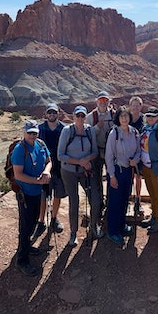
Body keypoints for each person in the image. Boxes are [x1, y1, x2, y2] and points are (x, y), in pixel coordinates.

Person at [11, 119, 52, 276]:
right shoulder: (20, 149)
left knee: (33, 221)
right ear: (24, 132)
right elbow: (18, 174)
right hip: (25, 193)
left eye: (34, 132)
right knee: (26, 226)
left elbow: (49, 161)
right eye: (29, 132)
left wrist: (47, 171)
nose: (32, 135)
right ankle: (22, 260)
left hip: (37, 191)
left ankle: (27, 247)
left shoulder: (40, 144)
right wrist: (37, 180)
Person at [58, 105, 99, 247]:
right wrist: (80, 162)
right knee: (73, 201)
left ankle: (94, 226)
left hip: (85, 171)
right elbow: (60, 155)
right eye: (78, 116)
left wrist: (86, 161)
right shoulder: (67, 131)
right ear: (74, 117)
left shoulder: (90, 131)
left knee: (95, 200)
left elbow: (95, 152)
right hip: (69, 171)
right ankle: (73, 233)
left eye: (83, 116)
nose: (80, 119)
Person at [104, 106, 141, 245]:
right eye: (121, 116)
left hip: (128, 171)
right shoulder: (114, 133)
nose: (124, 119)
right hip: (117, 171)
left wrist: (135, 160)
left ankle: (121, 225)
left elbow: (138, 151)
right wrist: (111, 176)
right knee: (114, 201)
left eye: (126, 116)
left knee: (125, 199)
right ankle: (113, 231)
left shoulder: (134, 132)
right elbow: (108, 156)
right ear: (118, 118)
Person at [37, 103, 66, 234]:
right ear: (46, 114)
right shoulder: (40, 129)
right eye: (50, 112)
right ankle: (41, 221)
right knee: (43, 196)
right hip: (43, 168)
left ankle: (54, 218)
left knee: (57, 195)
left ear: (58, 113)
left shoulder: (63, 129)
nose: (52, 115)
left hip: (59, 168)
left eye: (54, 112)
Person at [86, 91, 115, 220]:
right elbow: (87, 134)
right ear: (97, 102)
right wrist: (97, 127)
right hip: (96, 152)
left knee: (111, 178)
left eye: (105, 101)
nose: (103, 103)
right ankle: (99, 205)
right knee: (97, 180)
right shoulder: (91, 116)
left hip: (111, 152)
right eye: (101, 101)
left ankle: (110, 205)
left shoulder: (114, 115)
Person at [138, 107, 158, 234]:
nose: (151, 118)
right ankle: (154, 216)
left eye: (153, 116)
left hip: (156, 169)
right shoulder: (144, 130)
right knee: (152, 195)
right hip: (146, 167)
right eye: (148, 116)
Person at [128, 96, 145, 216]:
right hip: (127, 152)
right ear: (130, 107)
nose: (135, 108)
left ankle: (138, 199)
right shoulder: (126, 118)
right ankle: (128, 200)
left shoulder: (144, 119)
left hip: (140, 152)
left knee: (138, 176)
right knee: (128, 177)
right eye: (133, 105)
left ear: (141, 106)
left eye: (137, 105)